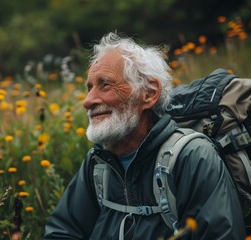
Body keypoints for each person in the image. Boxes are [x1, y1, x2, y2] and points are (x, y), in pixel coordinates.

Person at [44, 32, 246, 239]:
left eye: (105, 85)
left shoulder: (192, 157)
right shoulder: (97, 163)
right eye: (89, 87)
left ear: (149, 94)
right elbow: (63, 232)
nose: (88, 100)